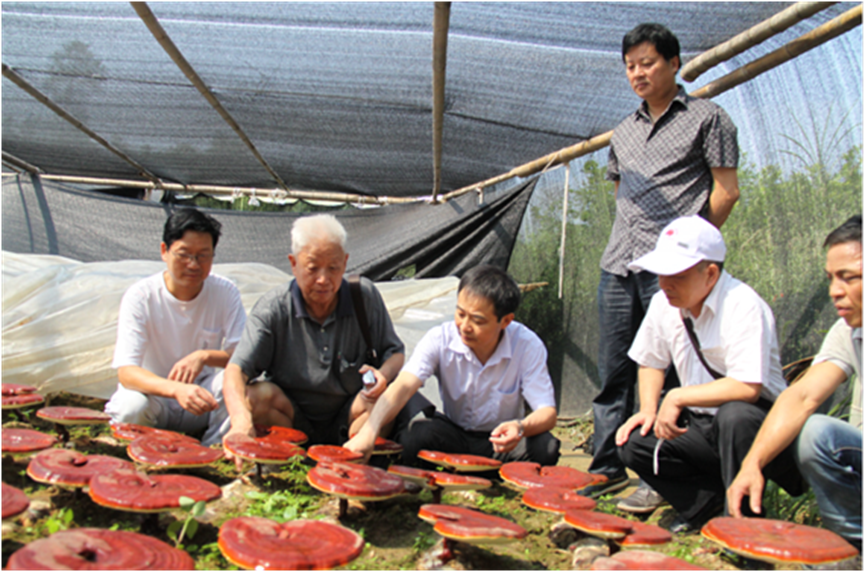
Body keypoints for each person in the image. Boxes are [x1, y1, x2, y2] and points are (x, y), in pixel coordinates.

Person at [588, 23, 740, 511]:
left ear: (674, 64)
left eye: (648, 63)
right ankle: (604, 467)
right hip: (619, 263)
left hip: (672, 270)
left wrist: (695, 251)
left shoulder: (708, 119)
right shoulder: (623, 132)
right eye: (630, 66)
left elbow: (726, 190)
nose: (638, 73)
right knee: (614, 372)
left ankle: (661, 473)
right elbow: (620, 192)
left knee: (674, 373)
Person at [615, 215, 801, 533]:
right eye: (662, 274)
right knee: (633, 442)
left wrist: (677, 396)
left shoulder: (742, 305)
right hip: (702, 427)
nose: (665, 284)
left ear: (711, 273)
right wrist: (647, 409)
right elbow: (650, 360)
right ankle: (709, 508)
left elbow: (747, 387)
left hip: (760, 429)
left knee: (735, 416)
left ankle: (745, 525)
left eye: (678, 275)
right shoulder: (664, 303)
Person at [221, 214, 404, 466]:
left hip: (351, 415)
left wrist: (383, 375)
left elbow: (395, 353)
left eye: (333, 268)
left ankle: (356, 469)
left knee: (386, 400)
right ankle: (282, 464)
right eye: (312, 268)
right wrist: (240, 421)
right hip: (290, 416)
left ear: (346, 262)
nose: (323, 279)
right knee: (255, 396)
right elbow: (236, 370)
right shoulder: (273, 308)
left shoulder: (364, 297)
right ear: (293, 263)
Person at [728, 215, 862, 553]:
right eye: (831, 278)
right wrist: (752, 464)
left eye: (850, 278)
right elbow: (801, 395)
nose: (835, 291)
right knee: (815, 432)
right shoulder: (849, 331)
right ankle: (852, 550)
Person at [345, 265, 560, 467]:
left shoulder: (527, 345)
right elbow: (403, 386)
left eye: (477, 320)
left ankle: (490, 473)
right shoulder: (441, 338)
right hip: (452, 434)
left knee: (545, 447)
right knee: (415, 434)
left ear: (505, 321)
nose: (465, 327)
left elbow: (547, 412)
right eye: (460, 313)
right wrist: (368, 433)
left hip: (500, 440)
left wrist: (519, 427)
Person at [106, 208, 246, 446]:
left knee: (233, 382)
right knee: (131, 406)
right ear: (164, 251)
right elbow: (127, 372)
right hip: (155, 397)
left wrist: (204, 356)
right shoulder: (141, 296)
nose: (193, 264)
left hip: (200, 401)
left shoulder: (225, 292)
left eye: (203, 255)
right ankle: (137, 454)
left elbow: (241, 356)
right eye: (184, 254)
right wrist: (175, 389)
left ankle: (214, 452)